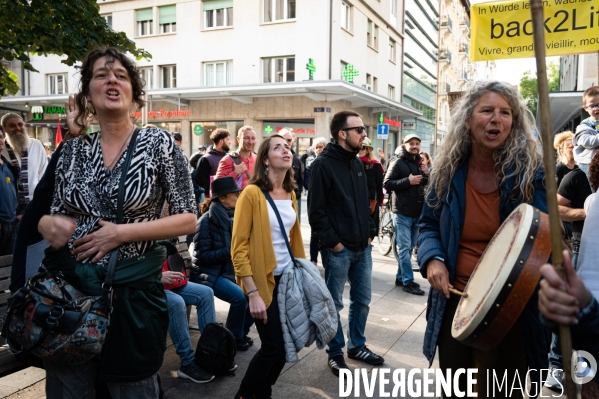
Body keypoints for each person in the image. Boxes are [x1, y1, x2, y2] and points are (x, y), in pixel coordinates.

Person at [37, 47, 197, 398]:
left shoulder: (157, 143)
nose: (111, 80)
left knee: (134, 386)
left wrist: (119, 234)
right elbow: (53, 213)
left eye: (121, 75)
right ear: (88, 93)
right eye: (101, 74)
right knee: (68, 388)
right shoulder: (74, 149)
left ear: (133, 92)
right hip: (72, 298)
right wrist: (48, 225)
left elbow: (189, 217)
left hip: (133, 300)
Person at [418, 81, 549, 396]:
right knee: (458, 388)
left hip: (511, 308)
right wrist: (433, 258)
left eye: (506, 113)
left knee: (504, 391)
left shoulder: (531, 175)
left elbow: (545, 237)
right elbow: (427, 226)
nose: (497, 119)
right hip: (457, 303)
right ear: (467, 120)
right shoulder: (446, 173)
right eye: (487, 110)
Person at [308, 110, 382, 377]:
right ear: (342, 134)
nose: (364, 134)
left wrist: (371, 232)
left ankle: (357, 345)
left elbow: (365, 202)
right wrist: (334, 243)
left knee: (362, 301)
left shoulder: (357, 162)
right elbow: (316, 212)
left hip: (363, 246)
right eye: (359, 129)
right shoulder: (323, 165)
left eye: (363, 129)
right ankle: (336, 352)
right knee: (334, 304)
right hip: (339, 250)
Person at [231, 134, 304, 399]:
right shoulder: (251, 194)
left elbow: (293, 240)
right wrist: (252, 293)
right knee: (274, 347)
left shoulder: (291, 193)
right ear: (265, 159)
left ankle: (262, 392)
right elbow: (238, 248)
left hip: (287, 280)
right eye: (277, 148)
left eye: (287, 147)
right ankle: (244, 394)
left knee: (287, 345)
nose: (286, 150)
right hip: (263, 281)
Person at [192, 176, 254, 351]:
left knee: (256, 292)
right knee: (239, 297)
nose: (239, 196)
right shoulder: (206, 221)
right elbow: (203, 256)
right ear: (222, 198)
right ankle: (233, 338)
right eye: (235, 193)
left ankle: (240, 332)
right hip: (209, 273)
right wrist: (231, 250)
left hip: (230, 270)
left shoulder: (236, 216)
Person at [161, 241, 217, 384]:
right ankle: (187, 362)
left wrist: (174, 246)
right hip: (152, 286)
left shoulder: (161, 223)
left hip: (173, 282)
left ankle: (210, 353)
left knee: (206, 293)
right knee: (176, 303)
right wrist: (156, 276)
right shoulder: (135, 228)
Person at [383, 134, 428, 295]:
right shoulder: (398, 162)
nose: (415, 146)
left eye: (417, 143)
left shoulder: (419, 163)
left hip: (417, 212)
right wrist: (407, 181)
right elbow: (387, 183)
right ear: (404, 146)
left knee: (408, 248)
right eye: (411, 144)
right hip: (402, 212)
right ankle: (408, 281)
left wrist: (427, 174)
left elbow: (423, 184)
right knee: (403, 248)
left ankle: (400, 277)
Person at [1, 113, 48, 203]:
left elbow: (44, 173)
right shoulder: (2, 149)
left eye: (20, 124)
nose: (18, 128)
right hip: (9, 204)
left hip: (35, 201)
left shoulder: (36, 145)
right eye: (12, 126)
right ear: (4, 129)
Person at [0, 128, 27, 255]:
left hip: (11, 222)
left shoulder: (9, 166)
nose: (0, 140)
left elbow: (19, 191)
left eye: (1, 137)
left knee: (9, 262)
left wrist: (21, 211)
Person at [303, 137, 327, 266]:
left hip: (328, 203)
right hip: (314, 201)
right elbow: (306, 182)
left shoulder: (330, 163)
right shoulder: (311, 164)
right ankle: (313, 259)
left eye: (321, 147)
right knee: (315, 231)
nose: (319, 149)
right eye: (317, 147)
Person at [215, 126, 257, 190]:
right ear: (238, 139)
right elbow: (217, 185)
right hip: (237, 199)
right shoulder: (227, 160)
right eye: (246, 138)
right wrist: (235, 173)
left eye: (253, 138)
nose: (250, 142)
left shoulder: (257, 159)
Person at [358, 137, 384, 236]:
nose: (360, 150)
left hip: (370, 202)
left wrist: (380, 202)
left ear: (368, 150)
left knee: (369, 232)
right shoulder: (350, 163)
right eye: (358, 147)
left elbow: (379, 186)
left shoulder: (375, 165)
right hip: (352, 202)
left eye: (363, 147)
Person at [194, 129, 231, 198]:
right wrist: (215, 187)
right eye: (228, 139)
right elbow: (198, 178)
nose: (230, 142)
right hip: (213, 199)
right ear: (221, 142)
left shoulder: (229, 157)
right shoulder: (206, 158)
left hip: (229, 198)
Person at [573, 86, 599, 181]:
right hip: (588, 162)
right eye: (593, 105)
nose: (597, 108)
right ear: (585, 108)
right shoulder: (583, 126)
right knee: (593, 180)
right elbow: (587, 141)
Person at [279, 128, 304, 219]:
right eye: (283, 139)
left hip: (291, 200)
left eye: (289, 140)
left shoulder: (297, 160)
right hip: (275, 199)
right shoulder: (271, 157)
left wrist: (296, 195)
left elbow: (300, 180)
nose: (286, 143)